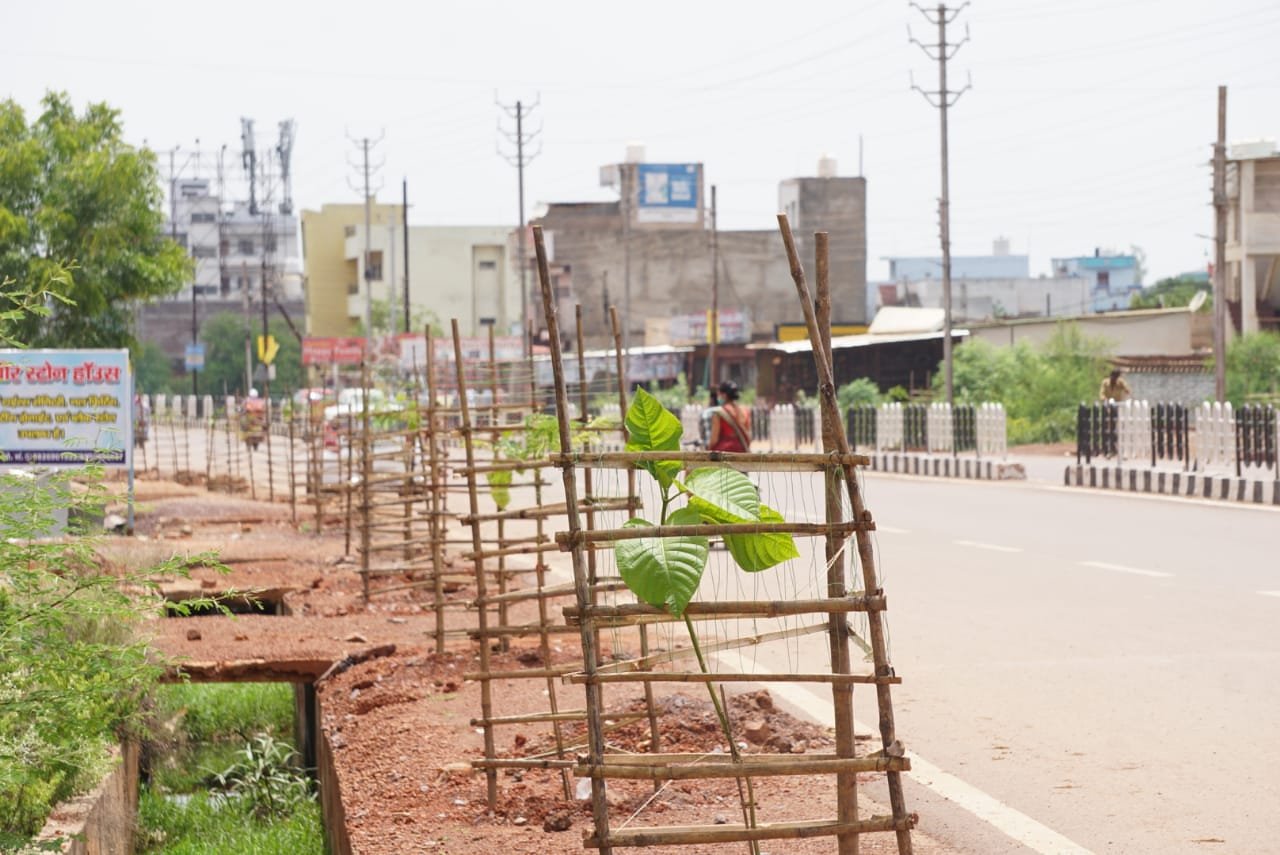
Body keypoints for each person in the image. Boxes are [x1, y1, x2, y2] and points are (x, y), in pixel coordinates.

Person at [709, 380, 752, 452]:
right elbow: (748, 437)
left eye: (719, 394)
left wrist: (708, 450)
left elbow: (714, 439)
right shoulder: (745, 411)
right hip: (741, 450)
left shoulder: (719, 413)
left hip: (724, 451)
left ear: (724, 395)